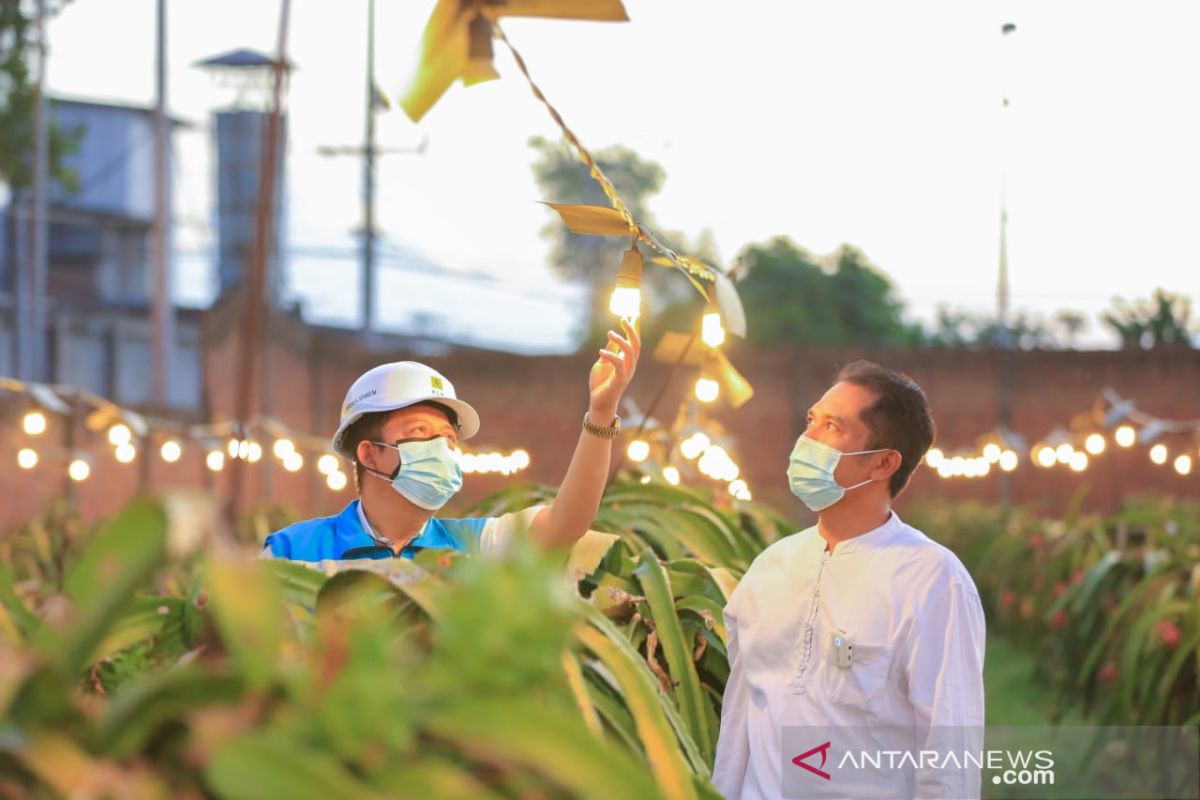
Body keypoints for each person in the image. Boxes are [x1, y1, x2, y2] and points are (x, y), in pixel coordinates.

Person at [712, 360, 985, 800]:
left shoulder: (932, 578)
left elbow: (949, 747)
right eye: (811, 421)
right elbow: (740, 716)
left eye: (832, 428)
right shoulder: (770, 567)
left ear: (882, 464)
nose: (807, 440)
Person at [263, 320, 640, 561]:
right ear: (370, 455)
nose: (441, 450)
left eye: (449, 440)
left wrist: (602, 414)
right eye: (420, 434)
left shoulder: (475, 547)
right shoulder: (293, 551)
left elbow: (566, 523)